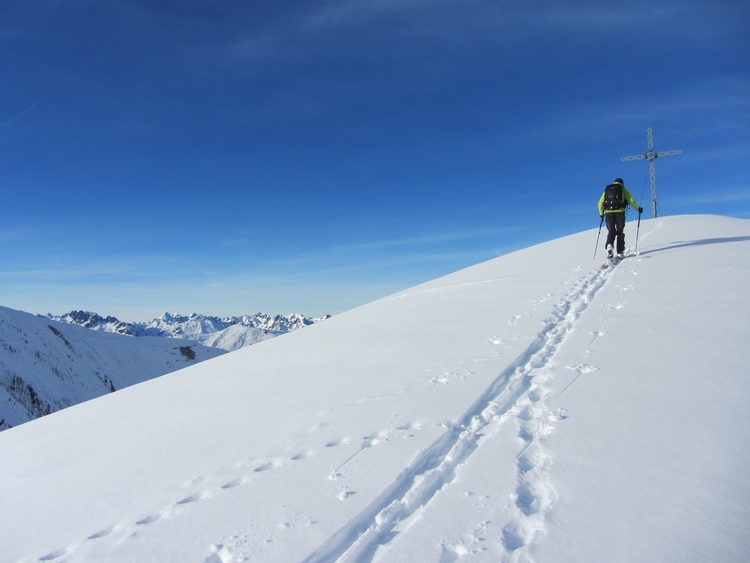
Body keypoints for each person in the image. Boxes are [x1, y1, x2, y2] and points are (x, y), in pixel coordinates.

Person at [598, 178, 643, 259]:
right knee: (620, 231)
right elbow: (631, 200)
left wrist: (602, 214)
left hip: (608, 213)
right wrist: (638, 208)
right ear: (622, 183)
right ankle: (620, 251)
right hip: (620, 212)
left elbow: (600, 203)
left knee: (611, 231)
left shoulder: (607, 190)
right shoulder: (623, 189)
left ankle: (609, 246)